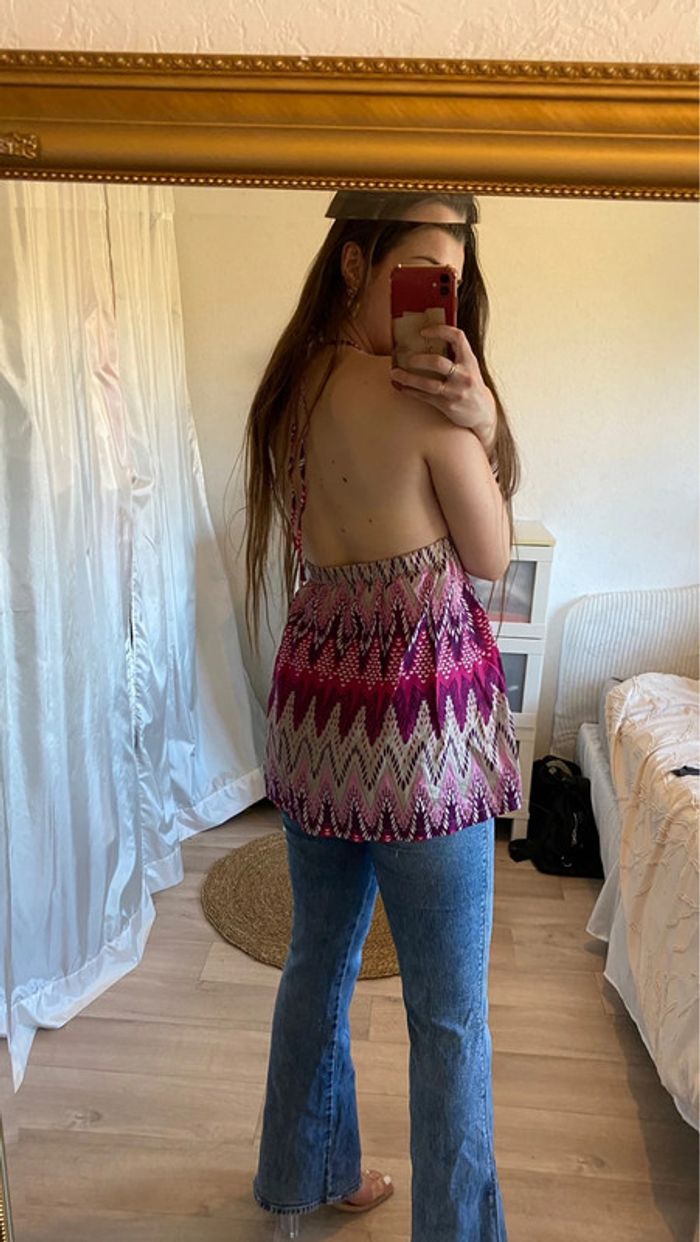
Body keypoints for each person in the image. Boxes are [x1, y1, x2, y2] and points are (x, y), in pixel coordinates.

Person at [239, 189, 523, 1241]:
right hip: (421, 740)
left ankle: (304, 1181)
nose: (437, 300)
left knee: (318, 961)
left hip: (317, 719)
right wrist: (481, 421)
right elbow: (489, 555)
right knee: (448, 1014)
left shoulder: (289, 387)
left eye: (451, 280)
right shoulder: (424, 404)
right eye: (420, 273)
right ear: (356, 264)